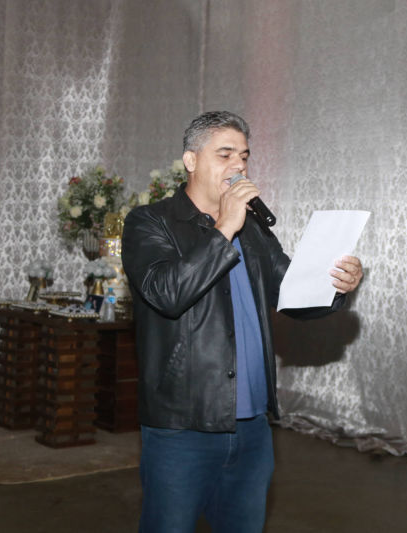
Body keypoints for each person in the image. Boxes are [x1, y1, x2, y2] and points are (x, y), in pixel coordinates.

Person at [121, 110, 363, 533]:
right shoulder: (150, 222)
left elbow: (292, 293)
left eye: (245, 156)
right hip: (183, 424)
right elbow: (167, 293)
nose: (239, 165)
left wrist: (337, 285)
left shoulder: (252, 230)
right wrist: (224, 228)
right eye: (225, 154)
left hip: (252, 426)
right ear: (191, 160)